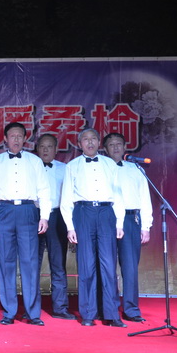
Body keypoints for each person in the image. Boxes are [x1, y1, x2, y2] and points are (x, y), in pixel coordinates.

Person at [0, 122, 51, 326]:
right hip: (4, 211)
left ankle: (32, 313)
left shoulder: (34, 161)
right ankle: (9, 311)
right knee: (6, 261)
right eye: (12, 136)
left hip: (28, 211)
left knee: (30, 262)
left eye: (20, 136)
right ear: (5, 139)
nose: (16, 140)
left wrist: (44, 216)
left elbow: (44, 190)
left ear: (25, 139)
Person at [61, 128, 126, 328]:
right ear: (79, 144)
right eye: (85, 140)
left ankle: (112, 314)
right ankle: (88, 314)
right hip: (83, 213)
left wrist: (119, 223)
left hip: (106, 213)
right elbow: (66, 198)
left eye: (93, 139)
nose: (89, 143)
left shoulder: (110, 164)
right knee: (86, 265)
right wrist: (70, 227)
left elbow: (118, 196)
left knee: (108, 265)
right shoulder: (72, 166)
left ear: (99, 143)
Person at [103, 132, 152, 323]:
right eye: (111, 144)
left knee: (130, 267)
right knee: (107, 266)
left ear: (125, 147)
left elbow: (145, 198)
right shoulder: (101, 169)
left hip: (131, 220)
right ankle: (109, 308)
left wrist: (146, 226)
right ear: (105, 149)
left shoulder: (136, 169)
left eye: (119, 144)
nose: (115, 147)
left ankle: (131, 309)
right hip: (107, 219)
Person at [35, 133, 76, 320]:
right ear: (37, 149)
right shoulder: (31, 167)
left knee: (58, 264)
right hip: (35, 216)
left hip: (58, 217)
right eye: (42, 146)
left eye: (49, 146)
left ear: (56, 149)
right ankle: (32, 308)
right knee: (32, 264)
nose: (45, 150)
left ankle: (60, 308)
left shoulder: (65, 169)